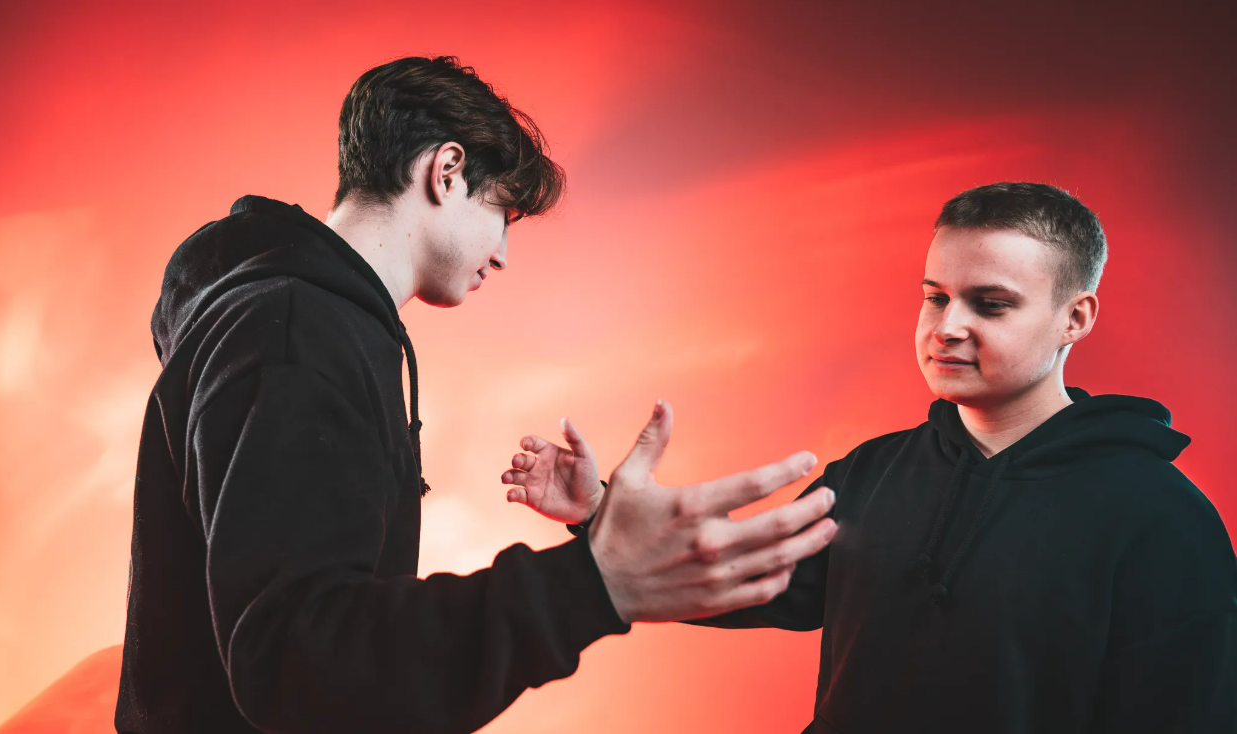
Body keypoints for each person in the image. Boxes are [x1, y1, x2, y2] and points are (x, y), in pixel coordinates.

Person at [116, 55, 841, 734]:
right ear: (447, 171)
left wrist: (595, 525)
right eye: (503, 214)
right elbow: (300, 660)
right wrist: (593, 582)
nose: (502, 254)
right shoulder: (296, 333)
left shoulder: (297, 324)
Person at [505, 182, 1237, 733]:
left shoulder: (1162, 517)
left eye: (990, 304)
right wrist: (598, 510)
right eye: (935, 297)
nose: (947, 327)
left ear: (1074, 317)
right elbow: (741, 581)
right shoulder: (871, 471)